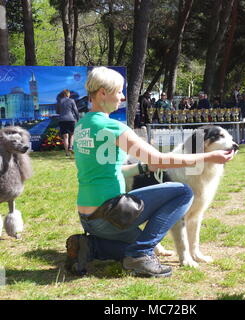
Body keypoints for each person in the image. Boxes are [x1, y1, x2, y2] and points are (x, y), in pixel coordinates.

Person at [65, 66, 235, 278]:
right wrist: (208, 157)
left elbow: (111, 170)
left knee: (134, 243)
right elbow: (160, 159)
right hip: (110, 214)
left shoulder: (81, 126)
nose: (122, 96)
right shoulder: (113, 127)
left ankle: (89, 246)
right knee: (182, 192)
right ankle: (140, 255)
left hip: (88, 216)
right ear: (102, 93)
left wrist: (142, 167)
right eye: (119, 91)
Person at [56, 89, 79, 157]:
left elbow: (57, 111)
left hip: (62, 120)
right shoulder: (72, 100)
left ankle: (67, 153)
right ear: (68, 94)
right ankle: (70, 147)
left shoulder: (59, 101)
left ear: (63, 94)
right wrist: (78, 119)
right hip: (71, 119)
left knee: (65, 137)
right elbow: (76, 111)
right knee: (72, 135)